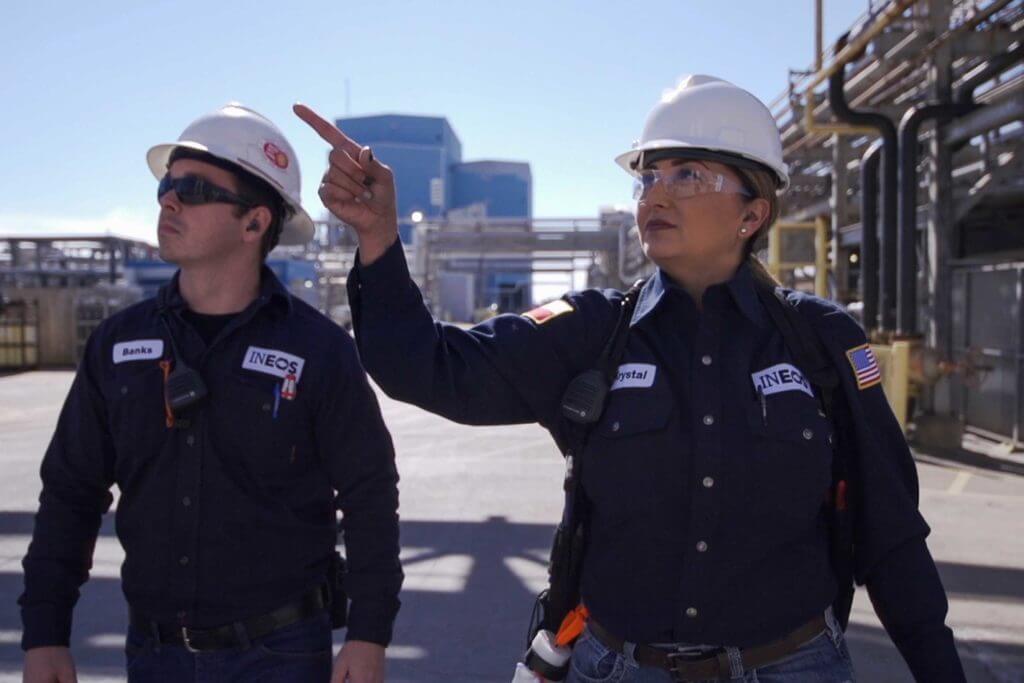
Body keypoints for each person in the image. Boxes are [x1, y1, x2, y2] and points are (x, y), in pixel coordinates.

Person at [295, 72, 964, 682]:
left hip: (792, 668)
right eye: (649, 176)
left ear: (752, 213)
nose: (657, 193)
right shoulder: (591, 334)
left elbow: (890, 530)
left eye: (689, 174)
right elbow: (426, 367)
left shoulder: (821, 341)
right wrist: (380, 238)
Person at [20, 103, 402, 683]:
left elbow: (370, 495)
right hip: (154, 655)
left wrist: (370, 634)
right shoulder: (117, 344)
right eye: (168, 186)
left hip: (282, 656)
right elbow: (70, 493)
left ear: (254, 223)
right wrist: (44, 634)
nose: (168, 200)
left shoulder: (319, 351)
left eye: (194, 189)